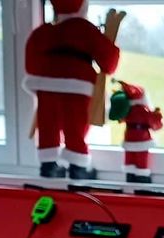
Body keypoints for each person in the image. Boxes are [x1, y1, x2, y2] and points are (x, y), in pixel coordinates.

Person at [24, 0, 120, 180]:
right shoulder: (85, 29)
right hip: (77, 84)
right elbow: (108, 63)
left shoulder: (43, 31)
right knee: (75, 125)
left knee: (48, 124)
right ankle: (78, 167)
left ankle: (48, 166)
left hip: (45, 84)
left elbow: (30, 62)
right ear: (82, 6)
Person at [110, 81, 163, 183]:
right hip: (142, 139)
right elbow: (155, 123)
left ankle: (130, 177)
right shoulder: (144, 111)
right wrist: (157, 115)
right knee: (141, 160)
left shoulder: (127, 110)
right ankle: (142, 178)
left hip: (129, 138)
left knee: (129, 159)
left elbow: (120, 118)